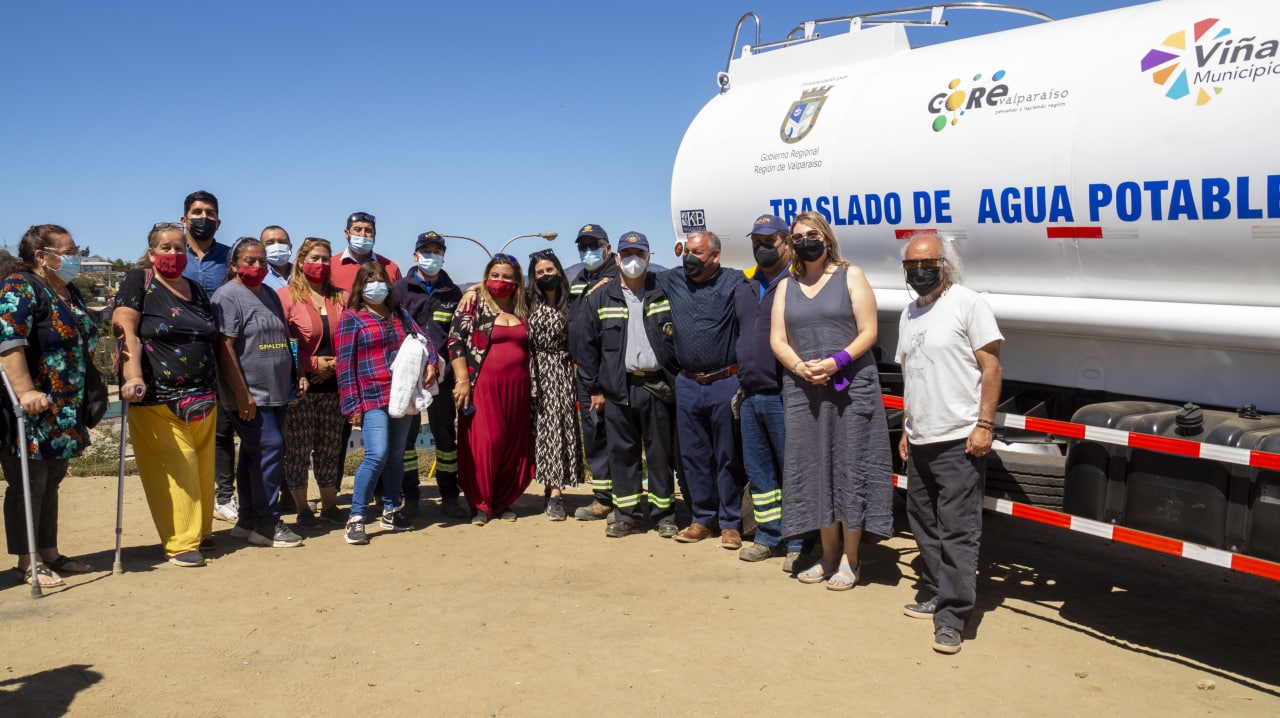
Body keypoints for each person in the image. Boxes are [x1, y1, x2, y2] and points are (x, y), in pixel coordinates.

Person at [769, 211, 893, 590]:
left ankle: (851, 561)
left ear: (826, 237)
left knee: (850, 469)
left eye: (812, 233)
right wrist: (800, 367)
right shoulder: (786, 285)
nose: (806, 240)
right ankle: (826, 556)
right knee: (816, 469)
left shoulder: (850, 275)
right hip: (805, 389)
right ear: (791, 244)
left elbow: (869, 331)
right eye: (798, 235)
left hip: (851, 387)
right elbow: (777, 339)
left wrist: (837, 360)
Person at [896, 232, 1003, 655]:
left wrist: (984, 424)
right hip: (920, 438)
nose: (920, 271)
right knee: (922, 523)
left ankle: (953, 619)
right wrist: (907, 427)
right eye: (911, 266)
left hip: (959, 439)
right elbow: (914, 374)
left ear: (945, 265)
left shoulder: (969, 304)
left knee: (958, 531)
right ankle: (939, 592)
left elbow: (991, 368)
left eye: (927, 263)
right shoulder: (909, 313)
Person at [114, 222, 220, 567]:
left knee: (203, 468)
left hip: (203, 395)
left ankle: (202, 532)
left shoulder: (196, 289)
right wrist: (132, 376)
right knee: (177, 466)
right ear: (151, 253)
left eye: (179, 248)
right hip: (158, 397)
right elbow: (124, 326)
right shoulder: (139, 282)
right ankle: (180, 543)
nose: (174, 254)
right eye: (166, 247)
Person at [0, 225, 97, 586]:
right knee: (28, 482)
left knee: (53, 479)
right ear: (42, 255)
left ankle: (50, 552)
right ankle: (28, 560)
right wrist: (26, 392)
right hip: (30, 405)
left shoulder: (67, 289)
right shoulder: (19, 286)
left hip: (64, 406)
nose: (76, 257)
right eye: (69, 250)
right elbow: (9, 341)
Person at [578, 232, 678, 538]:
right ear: (617, 258)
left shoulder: (665, 291)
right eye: (627, 253)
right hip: (617, 388)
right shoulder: (599, 297)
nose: (633, 259)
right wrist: (594, 387)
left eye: (640, 253)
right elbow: (587, 348)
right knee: (622, 453)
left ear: (649, 256)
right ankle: (628, 514)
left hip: (657, 386)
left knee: (660, 454)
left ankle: (664, 514)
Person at [654, 232, 747, 549]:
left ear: (716, 256)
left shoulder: (734, 281)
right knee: (694, 456)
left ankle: (731, 523)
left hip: (725, 382)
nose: (688, 258)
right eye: (685, 251)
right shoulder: (673, 280)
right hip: (687, 384)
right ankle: (702, 519)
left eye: (697, 252)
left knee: (727, 456)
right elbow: (632, 280)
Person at [212, 238, 305, 549]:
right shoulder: (227, 296)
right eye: (250, 261)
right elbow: (224, 346)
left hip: (277, 391)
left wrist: (295, 376)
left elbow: (284, 337)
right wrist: (242, 394)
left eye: (262, 261)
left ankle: (249, 519)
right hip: (250, 394)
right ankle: (268, 523)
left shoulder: (269, 294)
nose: (257, 267)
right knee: (270, 450)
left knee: (254, 454)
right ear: (235, 265)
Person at [337, 262, 438, 544]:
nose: (376, 285)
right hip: (371, 397)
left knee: (395, 456)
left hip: (401, 395)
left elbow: (425, 341)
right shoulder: (352, 319)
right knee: (377, 453)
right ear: (360, 286)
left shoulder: (401, 315)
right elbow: (345, 367)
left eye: (380, 279)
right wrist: (351, 406)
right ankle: (356, 517)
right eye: (369, 280)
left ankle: (391, 509)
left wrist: (432, 363)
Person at [732, 214, 808, 571]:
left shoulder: (798, 283)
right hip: (750, 395)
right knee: (760, 473)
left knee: (791, 469)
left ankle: (798, 541)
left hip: (785, 394)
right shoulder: (745, 286)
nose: (761, 247)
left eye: (768, 240)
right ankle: (767, 535)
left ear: (786, 243)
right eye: (756, 241)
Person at [448, 254, 533, 526]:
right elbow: (455, 341)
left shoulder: (525, 307)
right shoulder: (473, 306)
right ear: (486, 277)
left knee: (512, 444)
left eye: (507, 276)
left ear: (517, 281)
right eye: (495, 275)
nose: (500, 281)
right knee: (486, 442)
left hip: (519, 388)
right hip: (483, 385)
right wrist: (462, 379)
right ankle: (480, 504)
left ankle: (502, 501)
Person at [392, 231, 465, 520]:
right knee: (406, 441)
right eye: (426, 251)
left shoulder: (453, 292)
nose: (431, 256)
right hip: (409, 378)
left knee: (445, 439)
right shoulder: (399, 290)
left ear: (443, 256)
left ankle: (449, 496)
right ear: (415, 255)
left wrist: (440, 365)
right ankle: (410, 498)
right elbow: (395, 331)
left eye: (437, 251)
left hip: (443, 378)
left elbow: (457, 334)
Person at [278, 237, 348, 529]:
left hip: (336, 384)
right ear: (301, 262)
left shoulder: (342, 297)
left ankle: (330, 505)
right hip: (301, 386)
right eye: (314, 258)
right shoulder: (285, 297)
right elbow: (281, 341)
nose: (319, 264)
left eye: (324, 259)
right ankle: (303, 508)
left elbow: (353, 335)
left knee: (330, 448)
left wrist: (332, 367)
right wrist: (310, 365)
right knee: (298, 449)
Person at [178, 190, 239, 525]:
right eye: (197, 212)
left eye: (210, 213)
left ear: (218, 220)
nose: (204, 218)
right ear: (184, 219)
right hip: (179, 356)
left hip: (221, 353)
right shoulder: (172, 255)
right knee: (186, 430)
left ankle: (225, 496)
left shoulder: (230, 257)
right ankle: (192, 497)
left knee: (223, 429)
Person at [563, 224, 618, 521]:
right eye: (582, 247)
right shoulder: (578, 280)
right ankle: (603, 498)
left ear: (607, 249)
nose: (588, 252)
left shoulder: (618, 278)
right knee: (595, 437)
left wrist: (597, 383)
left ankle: (624, 498)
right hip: (585, 374)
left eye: (593, 245)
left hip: (609, 375)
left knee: (619, 436)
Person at [526, 249, 586, 520]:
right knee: (539, 433)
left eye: (549, 270)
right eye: (540, 272)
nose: (545, 275)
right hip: (533, 372)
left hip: (561, 372)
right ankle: (544, 488)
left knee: (558, 431)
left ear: (559, 271)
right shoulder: (526, 301)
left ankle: (555, 494)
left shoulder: (573, 302)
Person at [330, 211, 402, 294]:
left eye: (368, 230)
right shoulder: (330, 266)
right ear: (347, 234)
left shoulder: (391, 268)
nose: (363, 234)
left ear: (374, 235)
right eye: (357, 230)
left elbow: (398, 302)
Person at [261, 225, 293, 291]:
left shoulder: (301, 274)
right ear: (262, 249)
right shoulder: (260, 277)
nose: (277, 246)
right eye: (270, 243)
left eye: (282, 242)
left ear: (290, 247)